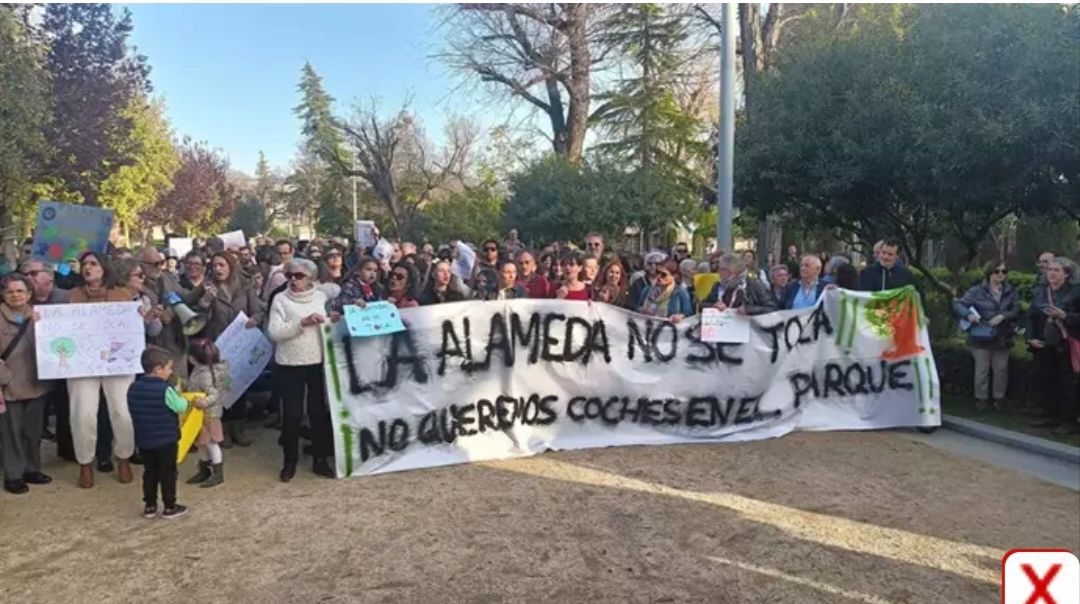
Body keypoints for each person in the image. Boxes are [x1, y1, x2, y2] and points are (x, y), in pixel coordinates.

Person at [67, 251, 138, 488]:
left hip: (116, 362)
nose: (88, 268)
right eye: (84, 264)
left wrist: (138, 317)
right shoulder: (73, 296)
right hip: (83, 363)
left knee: (122, 411)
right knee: (83, 413)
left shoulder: (122, 295)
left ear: (104, 268)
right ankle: (85, 463)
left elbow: (130, 330)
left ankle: (124, 457)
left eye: (93, 263)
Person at [186, 252, 263, 447]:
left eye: (222, 265)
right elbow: (193, 316)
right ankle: (223, 430)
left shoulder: (245, 286)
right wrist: (205, 301)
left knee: (238, 385)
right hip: (216, 345)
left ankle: (238, 428)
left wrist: (255, 319)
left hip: (241, 344)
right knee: (218, 387)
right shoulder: (206, 286)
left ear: (231, 266)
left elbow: (257, 310)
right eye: (215, 265)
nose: (218, 269)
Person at [267, 258, 334, 481]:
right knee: (292, 414)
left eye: (299, 276)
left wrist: (332, 319)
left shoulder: (321, 296)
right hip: (289, 362)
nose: (293, 280)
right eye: (290, 276)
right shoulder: (280, 299)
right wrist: (301, 324)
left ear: (311, 278)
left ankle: (320, 459)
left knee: (317, 412)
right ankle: (289, 461)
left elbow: (329, 321)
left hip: (316, 360)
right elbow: (274, 332)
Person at [0, 273, 53, 494]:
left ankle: (31, 468)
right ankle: (13, 474)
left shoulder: (41, 316)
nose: (15, 295)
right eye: (10, 291)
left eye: (20, 290)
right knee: (11, 433)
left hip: (36, 383)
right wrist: (5, 379)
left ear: (29, 294)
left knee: (33, 431)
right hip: (9, 385)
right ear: (3, 294)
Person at [127, 346, 188, 519]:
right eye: (169, 368)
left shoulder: (133, 388)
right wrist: (178, 392)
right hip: (166, 439)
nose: (170, 372)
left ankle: (150, 505)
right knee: (168, 472)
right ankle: (170, 506)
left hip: (144, 439)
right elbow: (180, 406)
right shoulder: (165, 389)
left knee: (150, 472)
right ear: (158, 369)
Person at [954, 261, 1020, 411]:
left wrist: (1003, 316)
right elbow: (959, 304)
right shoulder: (977, 291)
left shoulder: (1010, 291)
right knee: (982, 370)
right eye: (997, 271)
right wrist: (968, 314)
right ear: (989, 273)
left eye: (1004, 271)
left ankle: (999, 399)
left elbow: (1016, 309)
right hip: (981, 335)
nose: (1001, 275)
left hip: (1002, 336)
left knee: (1001, 369)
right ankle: (981, 399)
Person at [1026, 257, 1080, 432]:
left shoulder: (1076, 292)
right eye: (1050, 269)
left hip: (1066, 345)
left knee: (1068, 384)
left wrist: (1064, 316)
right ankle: (1050, 416)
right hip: (1044, 344)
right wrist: (1030, 337)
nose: (1052, 273)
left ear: (1067, 274)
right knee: (1047, 381)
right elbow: (1031, 316)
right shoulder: (1041, 291)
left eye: (1057, 270)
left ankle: (1068, 422)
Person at [184, 339, 230, 488]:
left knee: (210, 444)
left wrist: (202, 403)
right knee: (202, 444)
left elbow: (214, 394)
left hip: (209, 415)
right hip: (199, 416)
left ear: (193, 358)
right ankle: (204, 470)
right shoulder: (200, 370)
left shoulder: (205, 374)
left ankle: (218, 472)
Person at [702, 253, 777, 316]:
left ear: (732, 270)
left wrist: (749, 310)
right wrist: (714, 306)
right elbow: (703, 304)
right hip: (722, 327)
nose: (718, 271)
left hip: (748, 329)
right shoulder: (718, 285)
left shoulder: (753, 284)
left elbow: (772, 308)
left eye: (721, 269)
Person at [114, 258, 165, 340]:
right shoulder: (111, 299)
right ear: (124, 278)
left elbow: (154, 332)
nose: (144, 277)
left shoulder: (144, 299)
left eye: (143, 274)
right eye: (140, 275)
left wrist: (153, 316)